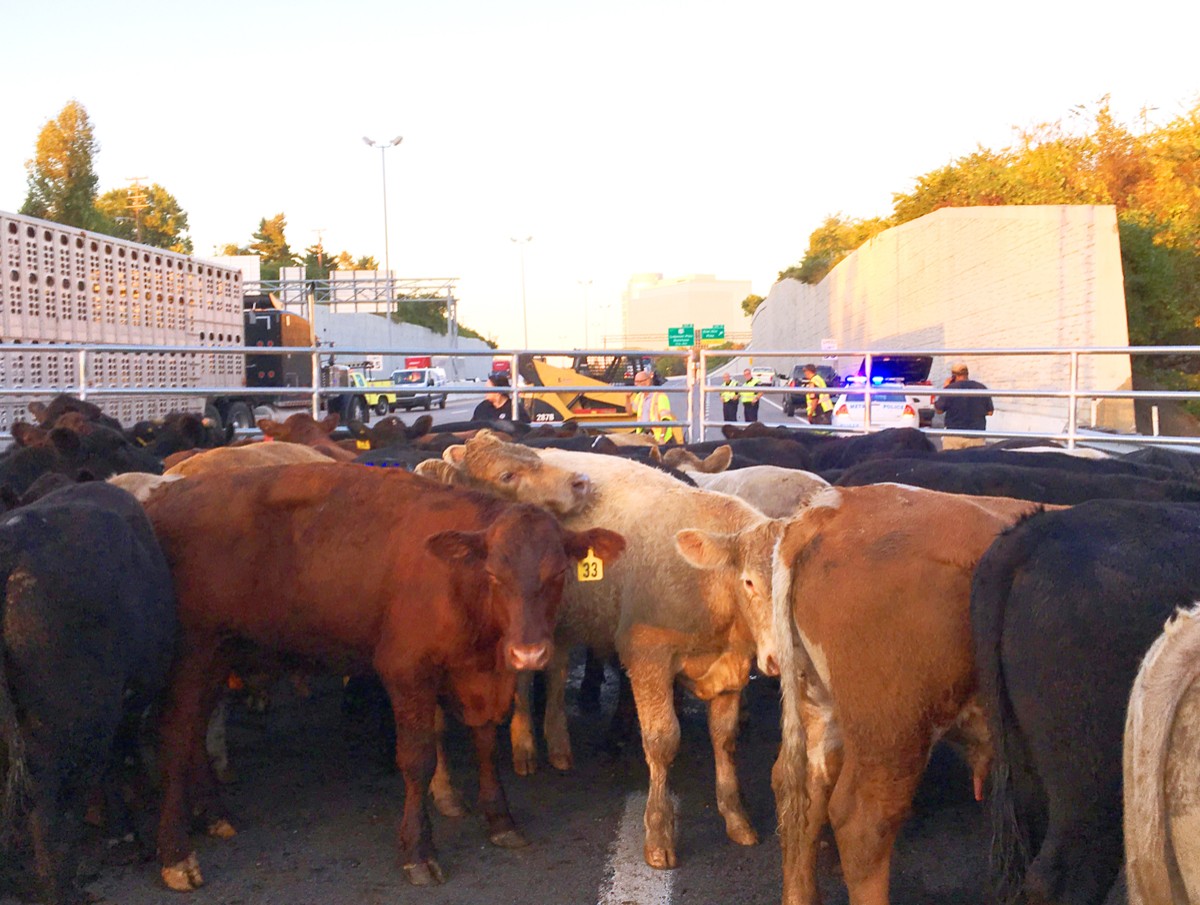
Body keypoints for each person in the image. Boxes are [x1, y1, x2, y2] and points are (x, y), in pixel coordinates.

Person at [934, 362, 993, 449]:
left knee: (951, 461)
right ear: (967, 374)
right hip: (976, 436)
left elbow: (939, 410)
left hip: (954, 435)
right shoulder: (981, 388)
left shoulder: (950, 389)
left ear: (953, 376)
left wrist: (945, 389)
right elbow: (990, 412)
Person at [627, 368, 680, 444]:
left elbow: (665, 419)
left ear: (648, 381)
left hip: (659, 437)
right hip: (645, 435)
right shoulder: (639, 396)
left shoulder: (660, 396)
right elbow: (630, 412)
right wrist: (627, 398)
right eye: (636, 382)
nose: (636, 384)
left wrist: (662, 437)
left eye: (639, 382)